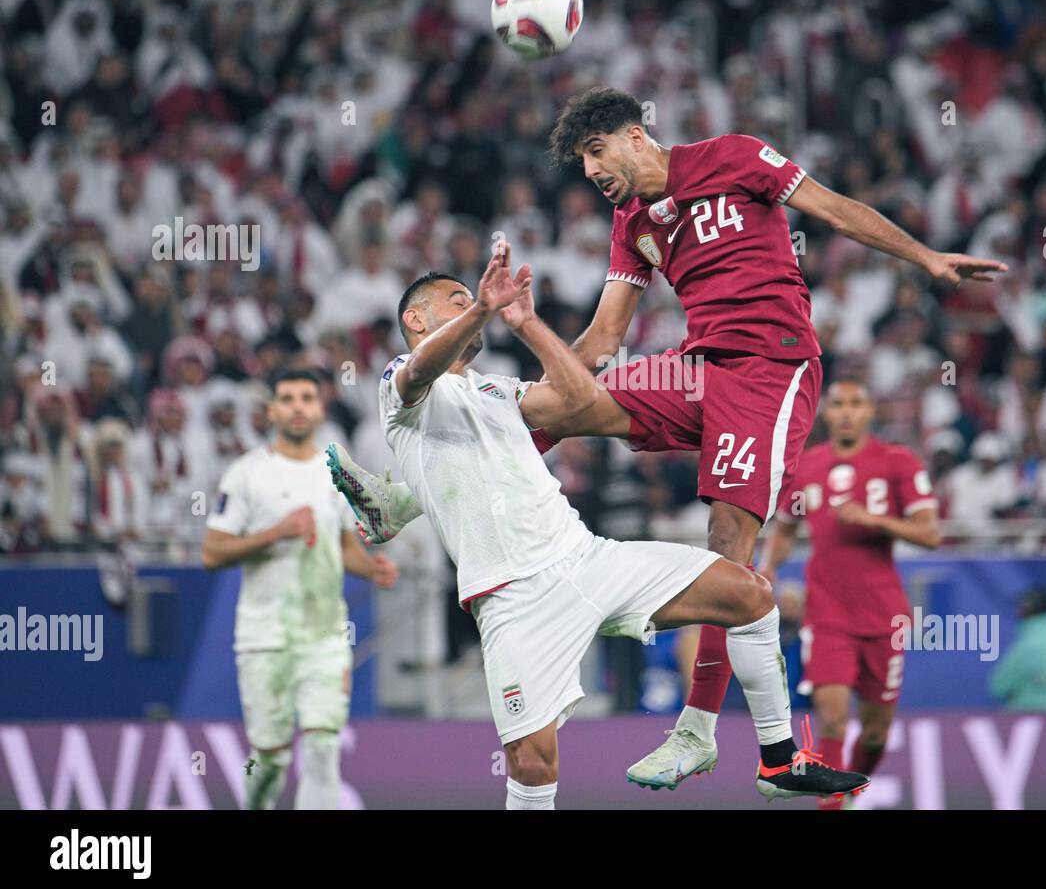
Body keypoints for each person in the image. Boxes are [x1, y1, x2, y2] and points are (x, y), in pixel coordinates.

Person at [331, 85, 1005, 789]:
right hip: (695, 370)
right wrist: (538, 363)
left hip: (771, 370)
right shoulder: (632, 223)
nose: (592, 171)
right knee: (568, 405)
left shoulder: (736, 157)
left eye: (596, 152)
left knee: (726, 551)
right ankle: (402, 499)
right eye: (582, 162)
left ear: (633, 135)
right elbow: (602, 340)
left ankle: (704, 732)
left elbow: (835, 211)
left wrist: (926, 258)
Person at [330, 241, 868, 808]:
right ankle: (395, 504)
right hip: (512, 597)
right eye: (456, 297)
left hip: (587, 559)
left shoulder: (497, 389)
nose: (473, 301)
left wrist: (530, 324)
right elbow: (420, 369)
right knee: (533, 765)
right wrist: (482, 308)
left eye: (472, 296)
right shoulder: (399, 384)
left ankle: (779, 761)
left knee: (750, 594)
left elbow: (583, 398)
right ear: (416, 318)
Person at [201, 369, 399, 809]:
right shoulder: (246, 474)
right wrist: (277, 532)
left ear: (319, 408)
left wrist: (371, 569)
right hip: (264, 635)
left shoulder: (335, 472)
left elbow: (344, 545)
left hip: (325, 635)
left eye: (306, 397)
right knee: (268, 760)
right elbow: (212, 553)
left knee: (323, 748)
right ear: (271, 410)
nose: (297, 406)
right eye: (287, 398)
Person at [758, 380, 939, 809]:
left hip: (883, 615)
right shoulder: (807, 467)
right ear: (825, 412)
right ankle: (832, 804)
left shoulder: (896, 461)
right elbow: (785, 528)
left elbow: (930, 534)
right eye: (837, 404)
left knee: (875, 734)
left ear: (870, 411)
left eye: (856, 403)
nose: (846, 412)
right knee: (833, 716)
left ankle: (852, 789)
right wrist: (767, 568)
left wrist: (877, 520)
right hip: (827, 613)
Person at [989, 587, 1046, 711]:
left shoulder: (1031, 643)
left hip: (1029, 712)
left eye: (1021, 606)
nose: (1017, 611)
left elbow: (999, 686)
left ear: (1028, 608)